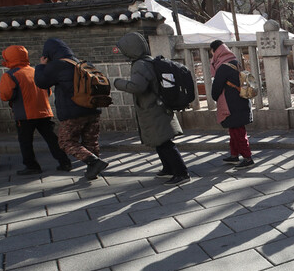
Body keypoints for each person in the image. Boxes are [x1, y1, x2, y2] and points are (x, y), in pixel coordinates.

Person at [113, 32, 189, 185]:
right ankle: (168, 168)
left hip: (153, 108)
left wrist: (117, 83)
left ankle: (181, 173)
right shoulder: (148, 61)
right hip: (156, 107)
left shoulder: (140, 65)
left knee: (165, 143)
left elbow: (138, 87)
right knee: (159, 141)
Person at [34, 38, 108, 180]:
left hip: (73, 112)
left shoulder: (57, 65)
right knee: (90, 141)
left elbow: (41, 83)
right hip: (93, 109)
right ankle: (92, 170)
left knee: (65, 141)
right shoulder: (82, 63)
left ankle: (94, 162)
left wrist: (41, 66)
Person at [0, 45, 71, 176]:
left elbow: (5, 95)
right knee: (52, 139)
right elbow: (47, 91)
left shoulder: (10, 75)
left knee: (25, 142)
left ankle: (32, 166)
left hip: (25, 115)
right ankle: (64, 162)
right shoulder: (35, 71)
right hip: (44, 112)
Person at [209, 39, 254, 168]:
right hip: (241, 101)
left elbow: (216, 88)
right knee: (234, 129)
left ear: (216, 51)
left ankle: (247, 157)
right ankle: (234, 155)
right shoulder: (235, 62)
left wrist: (215, 97)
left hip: (231, 104)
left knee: (238, 132)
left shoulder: (223, 67)